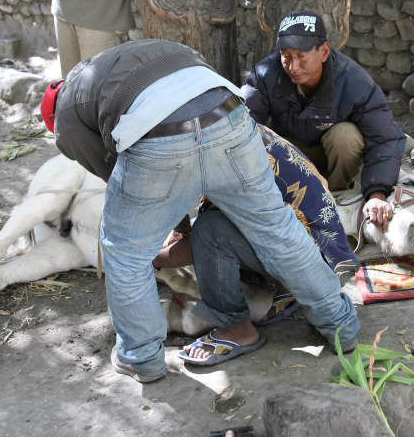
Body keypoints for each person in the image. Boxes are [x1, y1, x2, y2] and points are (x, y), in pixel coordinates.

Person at [41, 39, 359, 383]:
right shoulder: (132, 55)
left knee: (126, 252)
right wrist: (179, 223)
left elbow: (114, 170)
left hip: (157, 137)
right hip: (229, 116)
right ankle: (340, 323)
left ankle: (141, 357)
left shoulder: (67, 115)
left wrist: (164, 226)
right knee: (274, 227)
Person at [151, 124, 360, 366]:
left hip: (316, 262)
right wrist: (181, 229)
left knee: (210, 231)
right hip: (328, 248)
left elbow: (210, 237)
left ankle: (237, 330)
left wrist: (154, 259)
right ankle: (290, 293)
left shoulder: (224, 165)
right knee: (216, 226)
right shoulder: (234, 132)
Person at [243, 10, 406, 231]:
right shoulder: (265, 73)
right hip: (289, 153)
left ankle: (336, 197)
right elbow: (243, 126)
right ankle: (287, 198)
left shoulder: (353, 80)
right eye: (287, 56)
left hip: (334, 158)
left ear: (324, 51)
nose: (293, 66)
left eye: (301, 56)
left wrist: (377, 194)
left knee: (346, 136)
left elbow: (385, 138)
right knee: (258, 138)